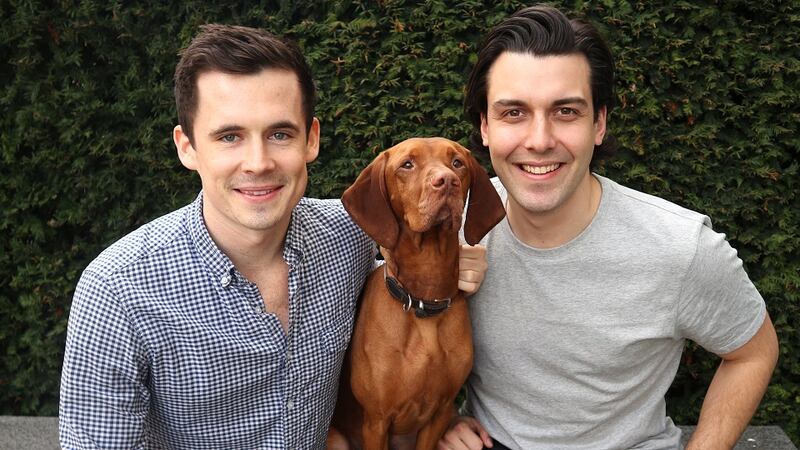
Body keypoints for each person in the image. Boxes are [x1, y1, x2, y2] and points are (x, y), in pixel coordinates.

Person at [59, 24, 487, 449]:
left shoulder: (348, 236)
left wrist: (443, 415)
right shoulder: (116, 290)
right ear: (187, 146)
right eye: (230, 136)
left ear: (311, 140)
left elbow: (405, 280)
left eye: (280, 134)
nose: (259, 162)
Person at [438, 5, 779, 450]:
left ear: (598, 123)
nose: (539, 140)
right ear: (485, 126)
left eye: (565, 111)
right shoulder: (451, 224)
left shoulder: (679, 247)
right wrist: (439, 416)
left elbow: (753, 350)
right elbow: (388, 336)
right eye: (514, 113)